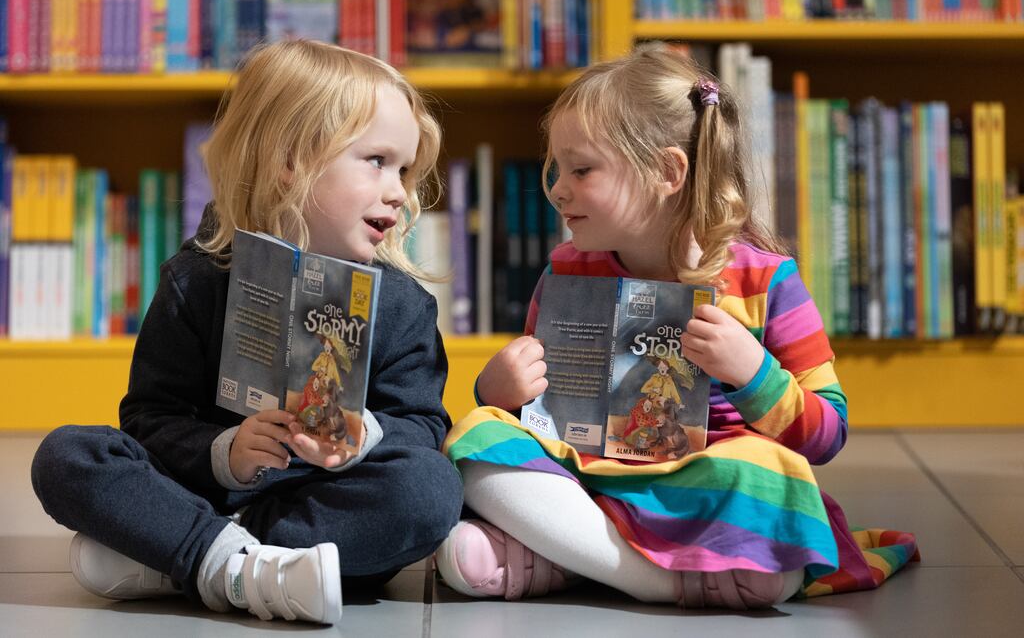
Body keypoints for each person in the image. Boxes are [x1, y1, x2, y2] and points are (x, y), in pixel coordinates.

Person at [435, 44, 918, 609]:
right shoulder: (567, 270)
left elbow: (826, 434)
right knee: (477, 438)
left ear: (668, 171)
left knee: (767, 472)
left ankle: (573, 562)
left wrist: (754, 373)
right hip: (596, 478)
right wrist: (500, 392)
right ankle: (661, 578)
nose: (558, 189)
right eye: (556, 169)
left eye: (582, 169)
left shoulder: (765, 280)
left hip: (706, 488)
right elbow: (541, 418)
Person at [31, 40, 463, 625]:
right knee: (68, 455)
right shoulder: (197, 278)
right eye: (377, 161)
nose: (399, 190)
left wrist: (361, 440)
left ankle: (194, 555)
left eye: (406, 170)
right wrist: (226, 454)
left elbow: (423, 422)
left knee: (430, 489)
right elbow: (149, 417)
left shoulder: (404, 304)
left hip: (321, 505)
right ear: (290, 159)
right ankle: (239, 561)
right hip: (205, 488)